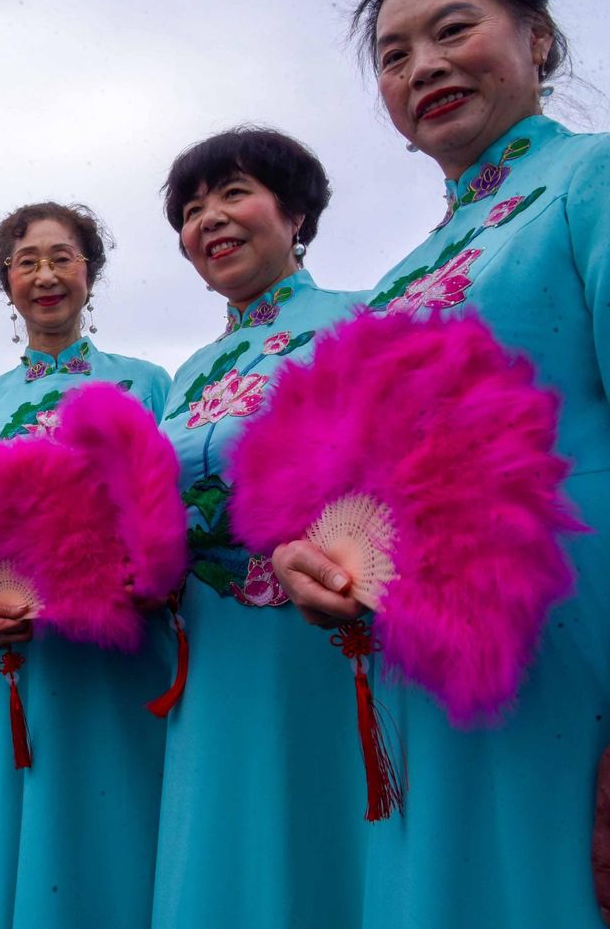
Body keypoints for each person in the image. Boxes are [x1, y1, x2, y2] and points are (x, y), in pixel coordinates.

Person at [272, 0, 610, 923]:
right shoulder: (399, 280)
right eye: (393, 54)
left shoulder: (592, 179)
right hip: (423, 667)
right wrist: (308, 558)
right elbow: (353, 479)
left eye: (454, 29)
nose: (423, 65)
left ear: (536, 39)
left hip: (578, 643)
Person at [151, 128, 371, 929]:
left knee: (323, 845)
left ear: (297, 211)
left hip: (328, 636)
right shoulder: (184, 378)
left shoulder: (362, 321)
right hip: (207, 653)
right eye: (192, 208)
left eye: (234, 193)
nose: (210, 218)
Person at [0, 202, 171, 928]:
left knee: (123, 813)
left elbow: (165, 519)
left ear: (90, 273)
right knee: (36, 817)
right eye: (26, 261)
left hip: (121, 651)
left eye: (62, 258)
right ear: (7, 283)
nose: (44, 275)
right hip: (23, 654)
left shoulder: (146, 384)